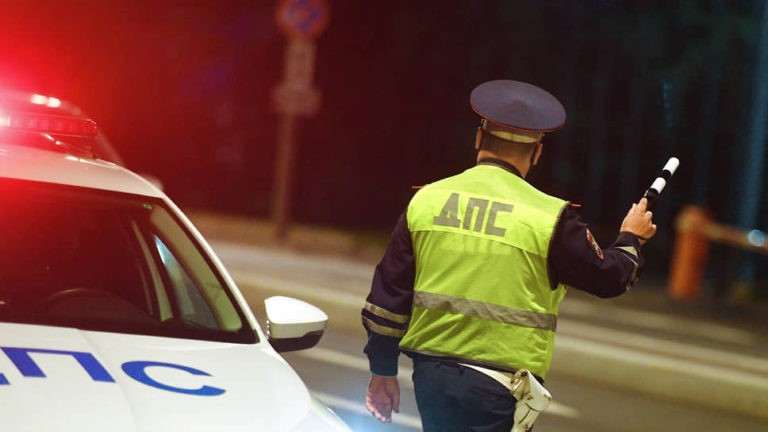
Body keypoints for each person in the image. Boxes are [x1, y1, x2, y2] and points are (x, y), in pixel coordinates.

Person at [361, 80, 657, 431]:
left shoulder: (427, 200)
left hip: (431, 377)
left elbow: (387, 300)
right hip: (499, 386)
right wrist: (631, 237)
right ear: (537, 152)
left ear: (478, 139)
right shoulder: (548, 216)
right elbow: (608, 277)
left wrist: (382, 370)